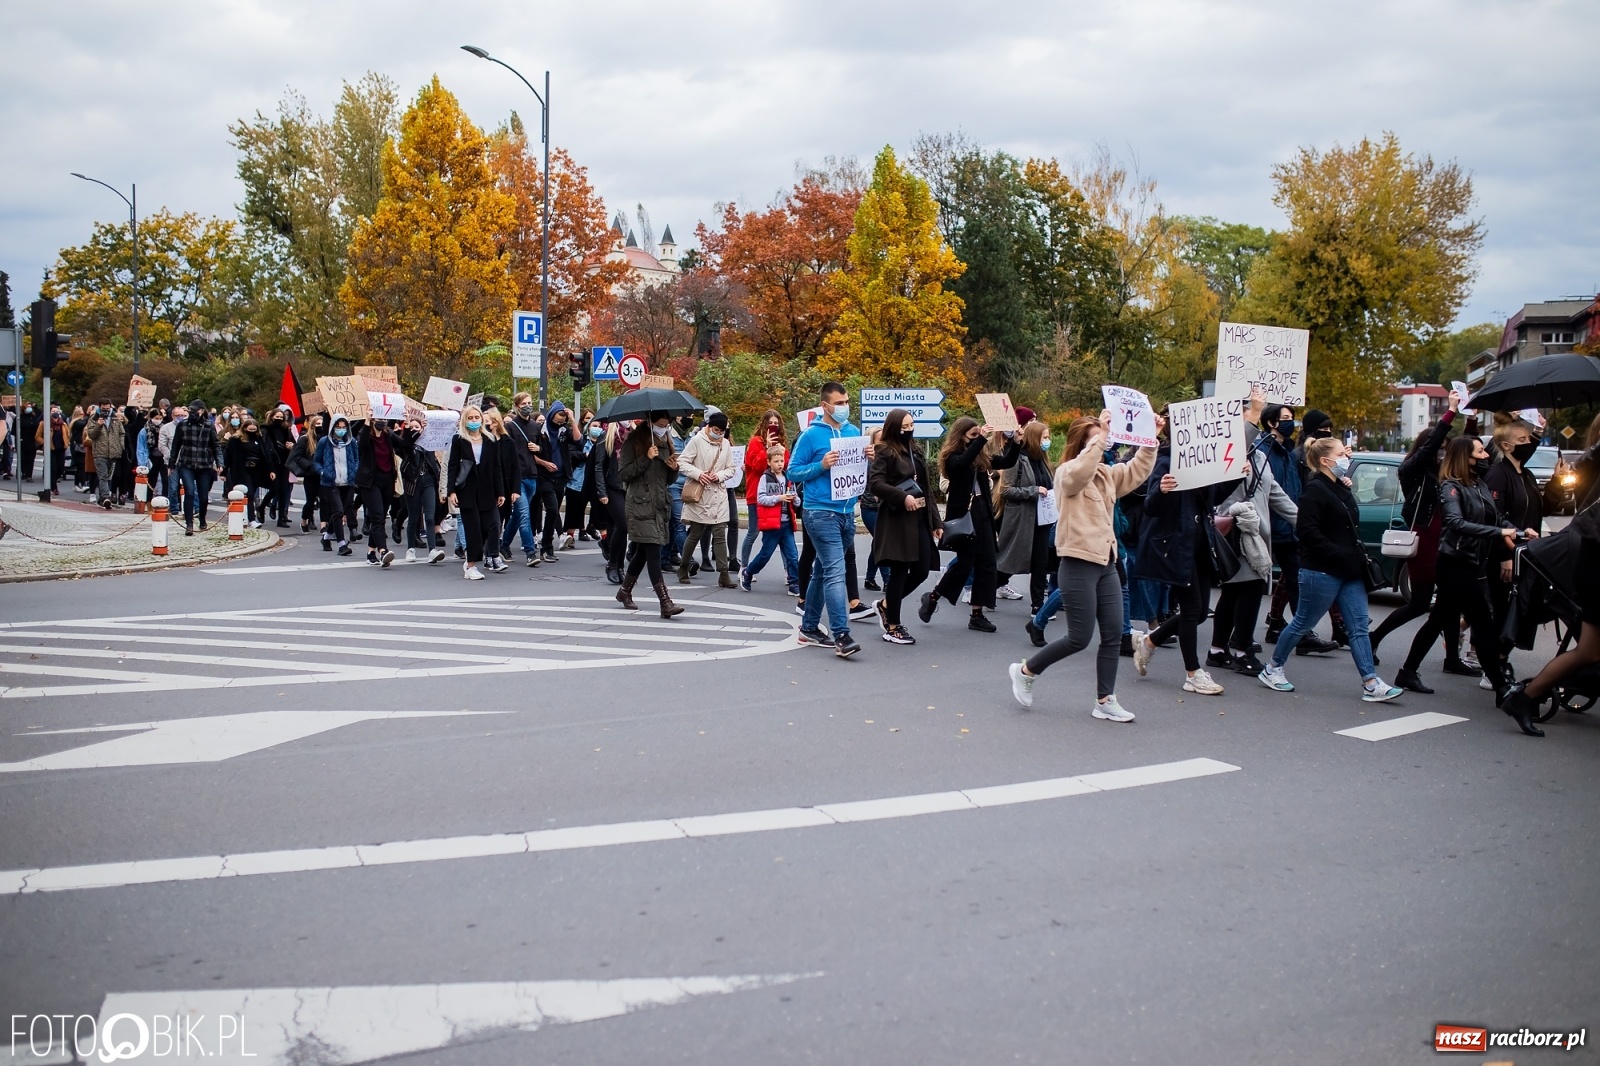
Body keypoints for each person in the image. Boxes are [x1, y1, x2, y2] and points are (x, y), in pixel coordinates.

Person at [1008, 409, 1160, 720]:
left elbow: (1135, 472)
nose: (1103, 445)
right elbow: (1079, 474)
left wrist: (1150, 440)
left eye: (1104, 439)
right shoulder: (1066, 473)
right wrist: (1099, 439)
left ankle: (1105, 700)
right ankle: (1026, 671)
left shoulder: (1105, 475)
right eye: (1095, 440)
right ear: (1082, 444)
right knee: (1079, 637)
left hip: (1106, 561)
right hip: (1077, 562)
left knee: (1114, 632)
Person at [1258, 438, 1405, 702]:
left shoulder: (1339, 487)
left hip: (1349, 571)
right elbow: (1307, 530)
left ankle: (1371, 683)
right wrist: (1337, 554)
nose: (1346, 457)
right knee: (1304, 621)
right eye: (1341, 453)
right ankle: (1273, 668)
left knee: (1359, 626)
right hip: (1321, 570)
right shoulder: (1315, 491)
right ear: (1325, 461)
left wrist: (1345, 489)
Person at [1393, 435, 1530, 700]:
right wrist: (1499, 532)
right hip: (1455, 564)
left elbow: (1496, 516)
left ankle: (1408, 671)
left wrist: (1521, 532)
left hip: (1472, 563)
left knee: (1438, 620)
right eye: (1480, 452)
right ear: (1465, 458)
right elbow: (1455, 523)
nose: (1486, 456)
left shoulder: (1478, 485)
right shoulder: (1450, 488)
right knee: (1484, 622)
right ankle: (1501, 687)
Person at [1369, 394, 1472, 681]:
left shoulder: (1447, 475)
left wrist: (1471, 416)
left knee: (1449, 602)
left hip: (1447, 541)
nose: (1442, 453)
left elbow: (1466, 452)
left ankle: (1451, 657)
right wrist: (1449, 416)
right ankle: (1373, 637)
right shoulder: (1413, 471)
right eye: (1438, 448)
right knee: (1419, 603)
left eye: (1445, 450)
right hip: (1426, 540)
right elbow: (1428, 449)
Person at [1128, 441, 1229, 697]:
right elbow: (1150, 506)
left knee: (1199, 614)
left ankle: (1149, 641)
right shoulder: (1166, 461)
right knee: (1192, 609)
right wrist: (1162, 491)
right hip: (1176, 547)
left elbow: (1213, 497)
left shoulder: (1204, 462)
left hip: (1200, 546)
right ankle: (1193, 674)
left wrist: (1237, 476)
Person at [788, 382, 868, 657]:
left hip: (847, 512)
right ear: (825, 406)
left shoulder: (853, 432)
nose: (844, 407)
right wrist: (821, 465)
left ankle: (809, 627)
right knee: (835, 571)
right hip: (820, 512)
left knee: (823, 571)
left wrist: (867, 457)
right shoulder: (810, 436)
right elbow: (793, 472)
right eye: (839, 403)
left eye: (846, 402)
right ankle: (842, 635)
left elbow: (858, 470)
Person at [919, 417, 1019, 634]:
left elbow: (1007, 462)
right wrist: (981, 438)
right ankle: (934, 597)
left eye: (978, 435)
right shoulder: (952, 456)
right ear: (961, 435)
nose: (977, 439)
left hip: (983, 509)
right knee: (965, 563)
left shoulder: (979, 455)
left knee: (988, 562)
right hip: (965, 513)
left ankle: (977, 614)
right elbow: (961, 463)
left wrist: (1017, 442)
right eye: (972, 435)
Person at [1207, 443, 1296, 676]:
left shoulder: (1259, 456)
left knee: (1234, 592)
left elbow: (1274, 492)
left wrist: (1304, 520)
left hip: (1255, 532)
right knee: (1249, 589)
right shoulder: (1227, 450)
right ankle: (1242, 652)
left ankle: (1217, 650)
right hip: (1236, 532)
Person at [1259, 406, 1341, 652]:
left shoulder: (1285, 452)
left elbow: (1291, 491)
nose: (1290, 422)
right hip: (1272, 525)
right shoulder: (1266, 451)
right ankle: (1233, 640)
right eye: (1285, 419)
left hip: (1289, 527)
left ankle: (1297, 633)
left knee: (1295, 579)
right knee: (1252, 586)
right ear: (1271, 423)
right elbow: (1271, 491)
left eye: (1292, 418)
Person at [867, 410, 942, 645]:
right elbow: (876, 483)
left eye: (912, 424)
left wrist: (936, 521)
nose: (910, 429)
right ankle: (892, 625)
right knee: (899, 572)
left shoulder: (916, 450)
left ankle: (886, 604)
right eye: (905, 426)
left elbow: (927, 489)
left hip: (919, 516)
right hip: (898, 519)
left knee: (921, 570)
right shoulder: (885, 450)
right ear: (894, 426)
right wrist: (901, 497)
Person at [1483, 413, 1549, 682]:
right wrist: (1504, 555)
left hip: (1527, 554)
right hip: (1507, 554)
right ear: (1507, 446)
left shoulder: (1526, 474)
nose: (1527, 443)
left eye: (1528, 439)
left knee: (1520, 611)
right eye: (1521, 439)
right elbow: (1495, 517)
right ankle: (1493, 667)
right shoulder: (1498, 475)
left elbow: (1537, 508)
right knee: (1502, 612)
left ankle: (1499, 658)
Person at [617, 411, 686, 618]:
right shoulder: (634, 441)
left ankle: (624, 591)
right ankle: (665, 602)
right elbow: (624, 474)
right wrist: (645, 458)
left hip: (658, 505)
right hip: (639, 504)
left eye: (666, 425)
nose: (664, 428)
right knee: (654, 551)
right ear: (650, 423)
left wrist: (674, 469)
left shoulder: (666, 442)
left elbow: (666, 480)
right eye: (660, 424)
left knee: (644, 552)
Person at [995, 421, 1056, 616]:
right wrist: (1033, 491)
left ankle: (1037, 605)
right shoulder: (1018, 459)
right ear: (1033, 438)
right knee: (1010, 563)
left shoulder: (1043, 460)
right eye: (1044, 437)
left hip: (1042, 519)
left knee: (1040, 564)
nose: (1048, 441)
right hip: (1022, 520)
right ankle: (983, 590)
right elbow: (1005, 490)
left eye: (1048, 437)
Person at [676, 410, 738, 587]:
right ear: (709, 426)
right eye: (716, 429)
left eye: (722, 431)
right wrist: (698, 474)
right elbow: (682, 462)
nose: (718, 433)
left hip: (718, 493)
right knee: (695, 532)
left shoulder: (725, 444)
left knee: (719, 534)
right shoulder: (697, 441)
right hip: (700, 494)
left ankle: (723, 573)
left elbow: (731, 468)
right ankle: (683, 566)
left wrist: (718, 476)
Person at [447, 406, 505, 580]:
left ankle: (478, 557)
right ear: (465, 420)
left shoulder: (490, 440)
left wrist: (500, 491)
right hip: (467, 490)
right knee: (473, 530)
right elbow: (453, 466)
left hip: (487, 490)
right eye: (470, 418)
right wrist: (451, 491)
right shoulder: (459, 439)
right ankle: (471, 565)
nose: (473, 421)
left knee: (492, 524)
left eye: (476, 417)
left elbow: (496, 467)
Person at [743, 445, 803, 596]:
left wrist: (795, 499)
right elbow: (761, 499)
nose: (780, 464)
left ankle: (794, 583)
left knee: (792, 554)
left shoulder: (788, 477)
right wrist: (779, 498)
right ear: (769, 462)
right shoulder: (766, 477)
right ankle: (748, 572)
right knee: (765, 554)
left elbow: (796, 500)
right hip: (771, 524)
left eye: (782, 460)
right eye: (776, 461)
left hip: (786, 523)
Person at [501, 393, 545, 567]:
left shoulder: (535, 426)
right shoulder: (510, 427)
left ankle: (504, 546)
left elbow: (543, 449)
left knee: (518, 515)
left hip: (532, 476)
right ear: (517, 406)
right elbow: (507, 453)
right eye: (524, 403)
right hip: (517, 478)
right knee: (525, 515)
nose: (528, 406)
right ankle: (530, 552)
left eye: (530, 403)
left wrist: (538, 448)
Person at [355, 417, 403, 567]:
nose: (381, 421)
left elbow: (405, 444)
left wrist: (407, 426)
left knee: (381, 516)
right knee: (377, 516)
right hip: (370, 482)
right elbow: (362, 446)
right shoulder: (366, 435)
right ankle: (383, 551)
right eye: (377, 419)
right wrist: (367, 421)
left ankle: (371, 552)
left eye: (383, 418)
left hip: (387, 481)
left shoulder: (388, 435)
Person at [741, 410, 787, 568]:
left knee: (782, 534)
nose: (773, 426)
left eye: (776, 423)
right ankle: (744, 567)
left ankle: (790, 572)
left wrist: (781, 451)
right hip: (757, 494)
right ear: (764, 424)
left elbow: (786, 467)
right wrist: (766, 448)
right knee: (753, 532)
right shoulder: (755, 442)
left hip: (778, 494)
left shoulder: (781, 443)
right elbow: (756, 466)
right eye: (770, 423)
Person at [399, 416, 446, 564]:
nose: (414, 430)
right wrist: (411, 430)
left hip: (428, 481)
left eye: (416, 427)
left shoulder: (429, 443)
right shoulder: (407, 443)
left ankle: (432, 549)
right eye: (411, 427)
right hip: (412, 481)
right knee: (414, 517)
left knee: (430, 517)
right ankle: (410, 549)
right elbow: (407, 442)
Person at [171, 400, 222, 534]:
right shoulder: (183, 425)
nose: (192, 413)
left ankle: (202, 519)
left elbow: (216, 445)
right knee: (189, 492)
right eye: (190, 410)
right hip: (186, 463)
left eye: (195, 410)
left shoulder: (209, 425)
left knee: (203, 496)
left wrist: (219, 462)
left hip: (204, 464)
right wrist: (171, 464)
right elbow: (175, 445)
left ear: (201, 411)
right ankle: (189, 524)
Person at [535, 401, 576, 562]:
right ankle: (547, 546)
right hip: (544, 476)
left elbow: (579, 441)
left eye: (564, 417)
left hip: (561, 477)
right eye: (560, 415)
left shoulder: (564, 431)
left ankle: (546, 546)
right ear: (552, 413)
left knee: (554, 511)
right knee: (551, 509)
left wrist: (572, 419)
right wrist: (544, 463)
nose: (561, 419)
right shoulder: (540, 430)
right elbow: (531, 453)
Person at [313, 413, 359, 555]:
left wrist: (354, 471)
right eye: (338, 427)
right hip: (330, 483)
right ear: (333, 427)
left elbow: (357, 459)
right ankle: (341, 544)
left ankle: (326, 538)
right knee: (338, 512)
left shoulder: (351, 442)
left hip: (347, 482)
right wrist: (323, 472)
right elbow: (316, 461)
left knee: (340, 512)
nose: (341, 430)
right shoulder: (324, 442)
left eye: (344, 427)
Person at [223, 415, 277, 528]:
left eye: (254, 429)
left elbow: (266, 455)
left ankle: (257, 510)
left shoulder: (258, 439)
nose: (252, 432)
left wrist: (271, 470)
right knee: (250, 493)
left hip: (257, 470)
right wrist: (223, 471)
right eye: (250, 430)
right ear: (245, 428)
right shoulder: (236, 440)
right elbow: (228, 456)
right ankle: (252, 519)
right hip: (242, 469)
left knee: (275, 488)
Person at [596, 421, 630, 584]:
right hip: (612, 486)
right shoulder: (607, 435)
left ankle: (620, 566)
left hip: (629, 486)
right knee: (622, 524)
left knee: (624, 528)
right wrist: (601, 491)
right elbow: (599, 466)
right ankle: (613, 564)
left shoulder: (634, 435)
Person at [84, 404, 126, 508]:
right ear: (100, 408)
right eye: (104, 409)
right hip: (100, 452)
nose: (106, 411)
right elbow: (91, 435)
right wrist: (98, 425)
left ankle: (101, 498)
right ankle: (106, 497)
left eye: (108, 409)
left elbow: (122, 433)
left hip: (113, 452)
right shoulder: (93, 419)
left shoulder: (115, 419)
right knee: (103, 476)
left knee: (109, 476)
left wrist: (121, 445)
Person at [287, 415, 322, 534]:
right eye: (317, 424)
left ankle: (324, 525)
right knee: (310, 501)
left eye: (322, 424)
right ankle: (304, 521)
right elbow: (297, 456)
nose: (320, 426)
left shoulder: (326, 439)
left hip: (324, 474)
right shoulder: (305, 439)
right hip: (311, 474)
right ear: (312, 426)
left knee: (326, 500)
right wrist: (310, 465)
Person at [262, 407, 296, 528]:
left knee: (283, 490)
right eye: (277, 417)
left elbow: (294, 443)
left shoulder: (286, 429)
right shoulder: (266, 430)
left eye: (281, 417)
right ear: (272, 417)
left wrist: (291, 445)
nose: (279, 419)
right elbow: (264, 447)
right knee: (275, 488)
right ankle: (262, 506)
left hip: (284, 462)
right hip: (273, 462)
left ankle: (281, 517)